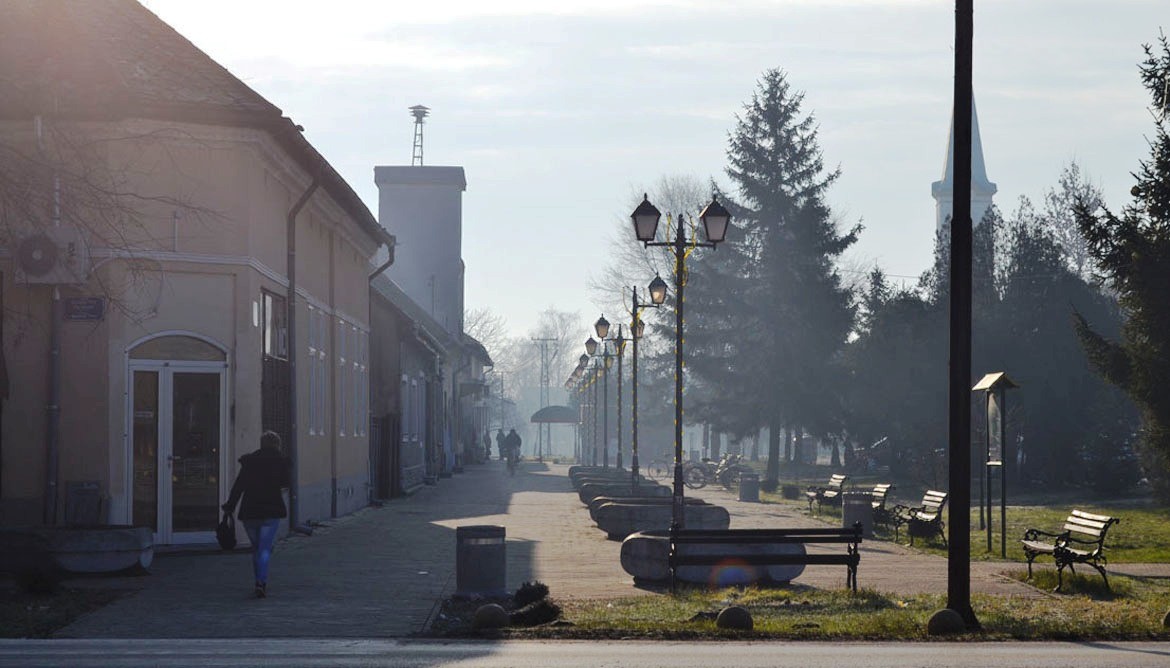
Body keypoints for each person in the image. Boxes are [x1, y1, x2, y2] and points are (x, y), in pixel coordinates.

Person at [223, 430, 291, 599]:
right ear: (277, 444)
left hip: (250, 511)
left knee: (257, 548)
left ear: (261, 444)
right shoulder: (281, 461)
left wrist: (230, 506)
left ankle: (259, 580)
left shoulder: (250, 462)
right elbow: (286, 483)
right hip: (271, 511)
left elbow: (239, 486)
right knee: (264, 549)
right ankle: (261, 582)